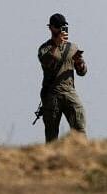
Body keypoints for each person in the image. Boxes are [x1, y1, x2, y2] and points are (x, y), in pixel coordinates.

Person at [37, 13, 88, 143]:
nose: (61, 30)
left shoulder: (72, 47)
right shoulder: (45, 48)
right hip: (52, 95)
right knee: (52, 135)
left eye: (63, 27)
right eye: (58, 27)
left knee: (79, 129)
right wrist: (56, 44)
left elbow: (82, 72)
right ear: (51, 28)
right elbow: (47, 63)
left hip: (69, 92)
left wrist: (79, 63)